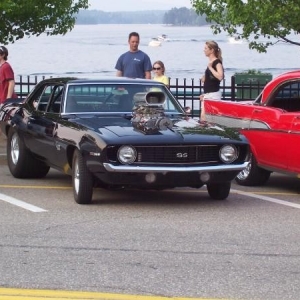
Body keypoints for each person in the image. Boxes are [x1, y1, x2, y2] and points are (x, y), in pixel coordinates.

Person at [199, 40, 224, 122]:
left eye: (206, 48)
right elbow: (211, 79)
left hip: (213, 95)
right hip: (208, 94)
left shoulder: (217, 62)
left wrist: (210, 68)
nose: (204, 50)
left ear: (212, 50)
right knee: (203, 117)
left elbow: (220, 76)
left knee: (210, 119)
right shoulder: (211, 62)